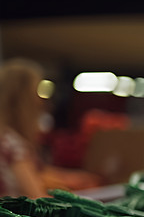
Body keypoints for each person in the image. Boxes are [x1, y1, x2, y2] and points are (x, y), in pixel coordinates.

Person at [0, 58, 100, 198]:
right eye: (37, 92)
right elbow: (37, 198)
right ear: (23, 99)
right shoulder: (13, 143)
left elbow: (39, 171)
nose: (41, 100)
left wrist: (74, 178)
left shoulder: (7, 137)